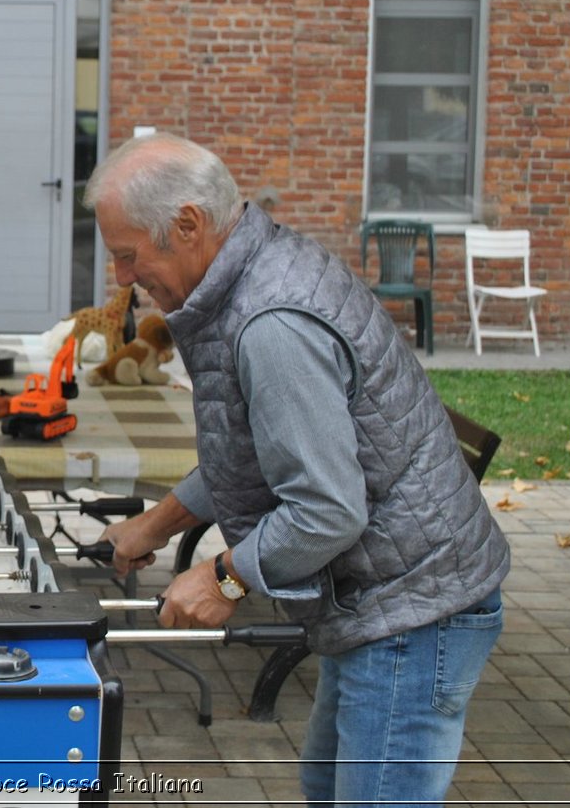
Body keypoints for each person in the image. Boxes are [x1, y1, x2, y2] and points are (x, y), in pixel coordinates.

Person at [84, 132, 509, 806]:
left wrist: (225, 576)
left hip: (413, 608)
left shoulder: (271, 321)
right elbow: (251, 451)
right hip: (383, 599)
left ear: (188, 225)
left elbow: (327, 509)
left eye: (128, 255)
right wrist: (157, 523)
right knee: (323, 789)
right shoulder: (251, 278)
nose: (124, 278)